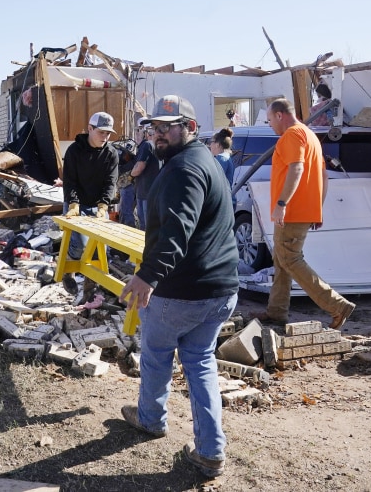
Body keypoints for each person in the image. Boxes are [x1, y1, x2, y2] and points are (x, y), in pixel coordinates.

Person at [119, 95, 239, 478]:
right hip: (220, 290)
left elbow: (176, 233)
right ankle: (210, 450)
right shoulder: (205, 160)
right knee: (200, 362)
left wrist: (148, 275)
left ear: (189, 127)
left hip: (183, 290)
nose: (158, 135)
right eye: (153, 128)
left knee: (156, 353)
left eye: (167, 128)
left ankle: (151, 418)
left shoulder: (183, 170)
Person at [252, 98, 355, 329]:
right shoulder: (311, 137)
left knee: (290, 259)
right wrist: (317, 208)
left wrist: (281, 202)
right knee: (282, 261)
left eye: (269, 120)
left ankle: (338, 306)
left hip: (291, 212)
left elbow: (296, 167)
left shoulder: (292, 135)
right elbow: (323, 177)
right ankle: (276, 312)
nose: (270, 125)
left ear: (280, 115)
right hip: (301, 211)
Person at [61, 111, 120, 293]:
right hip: (76, 203)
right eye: (101, 132)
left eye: (108, 133)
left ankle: (89, 286)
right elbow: (70, 181)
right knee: (79, 244)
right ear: (90, 129)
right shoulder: (74, 151)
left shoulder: (111, 153)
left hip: (97, 205)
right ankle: (68, 272)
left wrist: (104, 205)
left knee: (97, 247)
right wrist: (73, 204)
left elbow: (111, 182)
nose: (105, 136)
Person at [129, 120, 160, 230]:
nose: (137, 134)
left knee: (145, 228)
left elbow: (139, 168)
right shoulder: (156, 145)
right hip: (150, 193)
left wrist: (129, 175)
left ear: (145, 132)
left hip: (146, 194)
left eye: (138, 131)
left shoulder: (146, 144)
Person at [117, 140, 138, 228]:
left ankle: (129, 232)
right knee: (125, 212)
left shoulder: (132, 163)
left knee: (126, 212)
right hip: (125, 187)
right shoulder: (122, 165)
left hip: (129, 187)